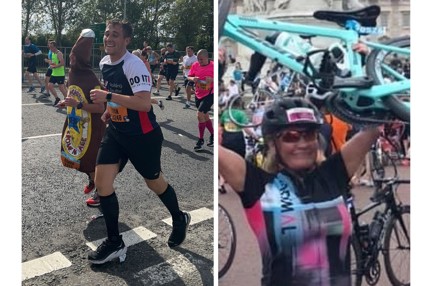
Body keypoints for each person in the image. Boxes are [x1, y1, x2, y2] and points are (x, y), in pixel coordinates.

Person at [219, 97, 381, 285]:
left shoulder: (332, 175)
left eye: (309, 135)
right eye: (291, 136)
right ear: (272, 143)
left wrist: (353, 93)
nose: (303, 144)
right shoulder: (258, 185)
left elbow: (374, 128)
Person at [88, 19, 190, 264]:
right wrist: (109, 109)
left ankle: (179, 217)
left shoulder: (134, 65)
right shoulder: (104, 62)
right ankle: (115, 242)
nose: (109, 38)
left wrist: (108, 96)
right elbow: (118, 97)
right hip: (117, 132)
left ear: (126, 40)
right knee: (102, 183)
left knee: (154, 183)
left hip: (143, 136)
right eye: (107, 34)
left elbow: (144, 103)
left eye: (115, 35)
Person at [56, 29, 106, 206]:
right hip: (77, 123)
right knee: (80, 157)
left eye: (73, 57)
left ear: (80, 58)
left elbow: (100, 107)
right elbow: (74, 95)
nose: (70, 60)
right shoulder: (73, 73)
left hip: (93, 126)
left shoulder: (90, 77)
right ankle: (93, 180)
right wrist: (66, 102)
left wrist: (77, 105)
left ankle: (101, 193)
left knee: (91, 159)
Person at [187, 49, 214, 151]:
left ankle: (201, 140)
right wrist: (192, 79)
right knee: (205, 115)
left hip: (210, 93)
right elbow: (189, 76)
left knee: (199, 114)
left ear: (207, 57)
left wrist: (212, 80)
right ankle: (213, 135)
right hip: (198, 93)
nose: (199, 61)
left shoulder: (214, 66)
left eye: (201, 59)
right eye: (198, 59)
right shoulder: (195, 65)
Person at [48, 40, 68, 106]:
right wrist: (51, 64)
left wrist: (54, 66)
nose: (50, 48)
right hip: (54, 73)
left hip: (60, 74)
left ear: (55, 47)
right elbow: (55, 63)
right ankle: (57, 98)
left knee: (61, 88)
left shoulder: (59, 53)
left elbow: (62, 63)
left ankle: (67, 100)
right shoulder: (53, 53)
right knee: (50, 85)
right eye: (49, 47)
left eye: (51, 47)